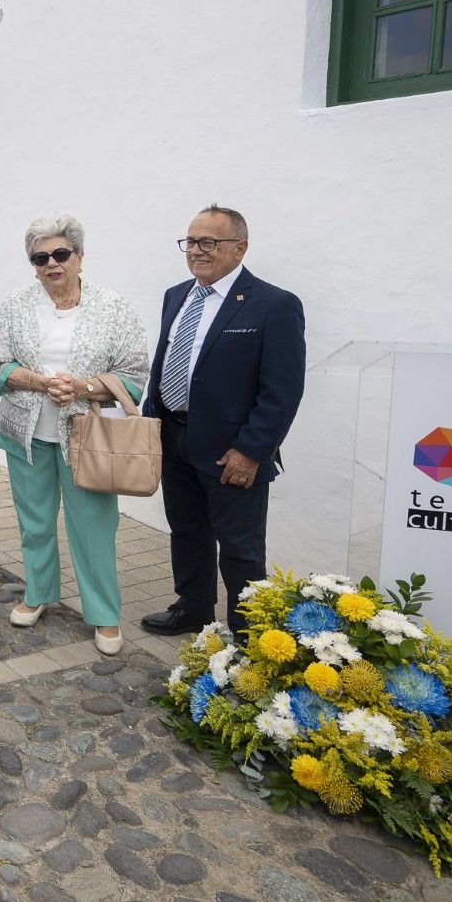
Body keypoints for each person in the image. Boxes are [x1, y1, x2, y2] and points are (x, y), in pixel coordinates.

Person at [139, 206, 306, 638]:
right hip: (174, 437)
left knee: (240, 547)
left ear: (239, 248)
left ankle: (248, 632)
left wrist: (252, 450)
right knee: (187, 530)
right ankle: (193, 607)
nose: (197, 251)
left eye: (208, 243)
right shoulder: (176, 296)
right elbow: (165, 365)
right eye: (191, 242)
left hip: (232, 449)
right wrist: (151, 426)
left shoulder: (275, 305)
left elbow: (282, 391)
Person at [0, 215, 149, 655]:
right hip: (26, 433)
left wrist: (83, 387)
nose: (51, 264)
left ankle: (104, 614)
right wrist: (42, 382)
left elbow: (134, 372)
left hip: (88, 437)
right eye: (40, 258)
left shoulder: (113, 307)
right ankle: (38, 593)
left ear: (79, 256)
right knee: (34, 522)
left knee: (94, 527)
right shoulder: (14, 305)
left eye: (61, 254)